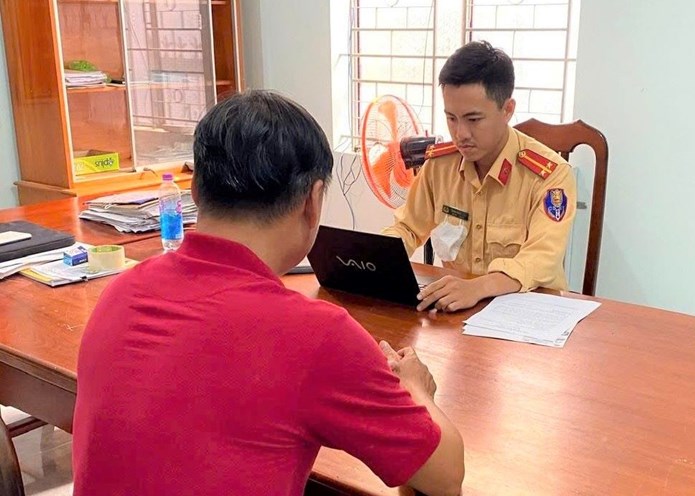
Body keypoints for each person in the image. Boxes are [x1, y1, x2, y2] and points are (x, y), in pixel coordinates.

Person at [72, 90, 464, 496]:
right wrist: (416, 388)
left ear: (196, 191)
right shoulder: (315, 334)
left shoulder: (121, 291)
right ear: (313, 201)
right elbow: (445, 477)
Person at [382, 41, 577, 313]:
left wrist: (478, 287)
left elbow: (541, 258)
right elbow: (408, 228)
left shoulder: (550, 175)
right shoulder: (439, 165)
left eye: (473, 119)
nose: (460, 133)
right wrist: (373, 260)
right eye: (451, 118)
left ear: (507, 110)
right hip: (457, 312)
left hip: (530, 313)